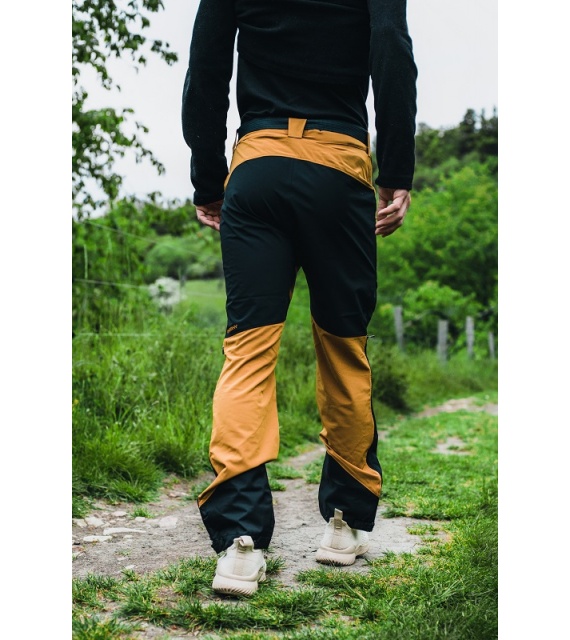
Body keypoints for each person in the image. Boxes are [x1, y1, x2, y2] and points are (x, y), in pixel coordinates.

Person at [182, 0, 417, 596]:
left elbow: (206, 66)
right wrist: (397, 170)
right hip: (338, 172)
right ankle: (343, 522)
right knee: (343, 350)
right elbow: (392, 50)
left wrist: (208, 179)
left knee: (247, 352)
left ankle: (240, 545)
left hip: (258, 169)